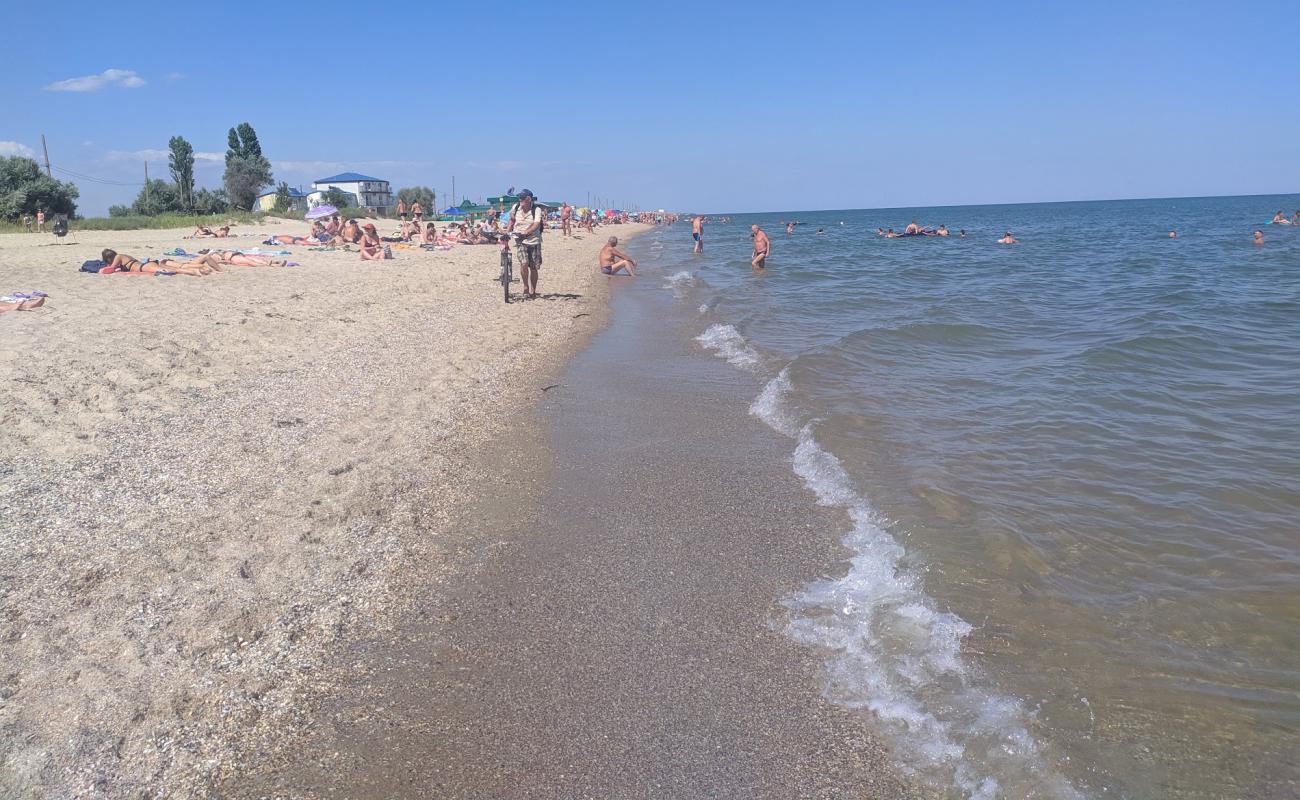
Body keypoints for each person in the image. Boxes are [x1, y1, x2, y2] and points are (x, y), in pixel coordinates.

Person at [507, 189, 545, 298]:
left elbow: (536, 223)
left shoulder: (536, 209)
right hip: (520, 240)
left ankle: (533, 289)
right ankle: (525, 287)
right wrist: (508, 232)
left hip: (534, 240)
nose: (520, 200)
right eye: (520, 198)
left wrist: (527, 232)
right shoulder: (515, 207)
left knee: (534, 267)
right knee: (524, 263)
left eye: (522, 198)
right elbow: (512, 220)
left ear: (528, 199)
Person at [101, 249, 213, 276]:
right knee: (173, 270)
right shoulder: (123, 255)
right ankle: (200, 270)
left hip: (143, 268)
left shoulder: (118, 257)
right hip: (145, 265)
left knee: (175, 271)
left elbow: (111, 269)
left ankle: (196, 272)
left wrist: (102, 270)